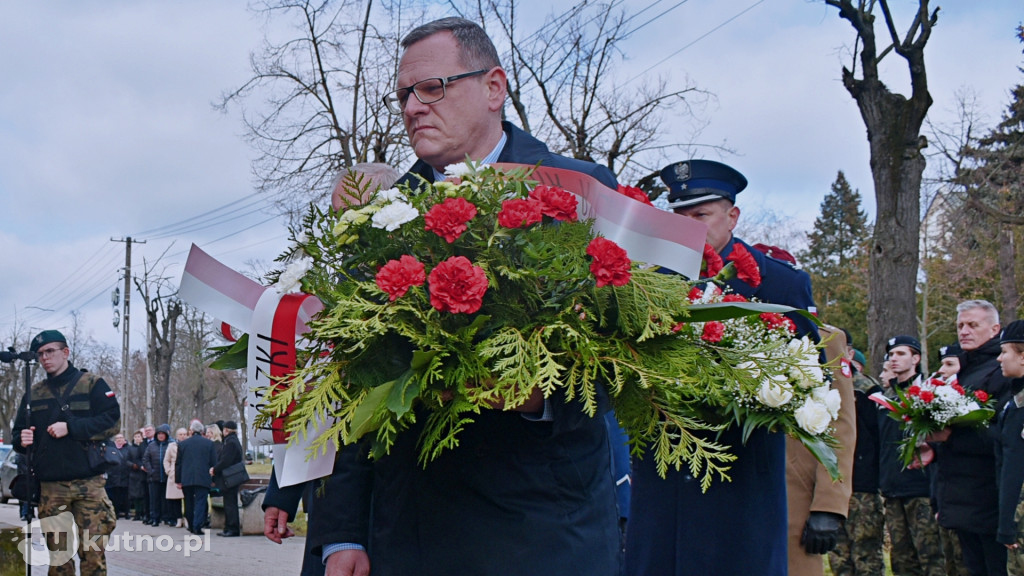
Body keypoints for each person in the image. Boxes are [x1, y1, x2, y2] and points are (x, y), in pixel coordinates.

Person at [310, 17, 621, 576]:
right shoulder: (382, 215)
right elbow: (357, 386)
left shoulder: (576, 191)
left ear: (494, 87)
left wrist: (540, 398)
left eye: (432, 88)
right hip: (408, 533)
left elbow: (630, 354)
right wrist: (342, 532)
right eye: (404, 94)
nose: (412, 108)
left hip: (538, 529)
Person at [625, 159, 821, 576]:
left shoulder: (780, 282)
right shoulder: (646, 276)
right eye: (679, 216)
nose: (689, 226)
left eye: (700, 215)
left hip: (742, 472)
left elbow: (809, 374)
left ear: (733, 216)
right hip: (664, 469)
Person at [12, 329, 120, 576]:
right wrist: (21, 439)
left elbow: (112, 422)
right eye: (40, 354)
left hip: (89, 483)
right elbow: (18, 434)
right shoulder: (34, 393)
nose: (45, 358)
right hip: (51, 486)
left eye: (50, 351)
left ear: (65, 352)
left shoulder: (91, 384)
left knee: (93, 556)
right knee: (59, 559)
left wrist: (70, 427)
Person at [931, 300, 1012, 576]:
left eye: (972, 325)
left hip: (988, 495)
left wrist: (950, 437)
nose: (964, 331)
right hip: (960, 496)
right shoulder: (960, 372)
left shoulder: (1001, 372)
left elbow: (1001, 435)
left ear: (995, 329)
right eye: (960, 325)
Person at [786, 324, 857, 576]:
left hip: (793, 496)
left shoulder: (825, 338)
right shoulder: (715, 325)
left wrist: (829, 505)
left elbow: (841, 425)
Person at [878, 335, 945, 576]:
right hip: (892, 488)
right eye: (891, 355)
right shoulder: (885, 398)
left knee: (931, 557)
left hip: (921, 489)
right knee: (902, 560)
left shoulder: (929, 394)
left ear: (916, 358)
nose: (894, 359)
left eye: (900, 354)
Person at [829, 348, 887, 576]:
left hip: (863, 485)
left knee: (865, 555)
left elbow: (878, 437)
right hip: (833, 483)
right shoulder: (822, 383)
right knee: (838, 556)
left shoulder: (867, 390)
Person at [995, 321, 1024, 575]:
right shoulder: (1014, 402)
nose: (999, 358)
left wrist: (1007, 523)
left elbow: (1016, 464)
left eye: (1005, 352)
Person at [176, 419, 218, 536]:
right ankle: (197, 526)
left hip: (187, 478)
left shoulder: (183, 444)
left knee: (188, 502)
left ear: (192, 431)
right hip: (203, 477)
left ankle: (190, 524)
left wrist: (178, 480)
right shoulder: (209, 444)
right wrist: (213, 479)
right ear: (201, 431)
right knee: (200, 502)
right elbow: (213, 462)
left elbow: (178, 464)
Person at [212, 420, 244, 537]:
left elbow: (225, 460)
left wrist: (215, 469)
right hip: (232, 477)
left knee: (230, 504)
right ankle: (228, 527)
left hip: (230, 477)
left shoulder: (230, 442)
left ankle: (232, 528)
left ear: (226, 430)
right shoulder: (233, 441)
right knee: (229, 503)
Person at [142, 423, 172, 526]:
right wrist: (151, 471)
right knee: (154, 499)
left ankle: (167, 517)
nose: (160, 436)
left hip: (166, 476)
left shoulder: (170, 445)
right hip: (153, 477)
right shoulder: (151, 446)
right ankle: (155, 518)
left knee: (166, 499)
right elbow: (145, 459)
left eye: (162, 434)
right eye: (159, 434)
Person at [163, 427, 187, 528]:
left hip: (186, 472)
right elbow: (166, 460)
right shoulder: (171, 446)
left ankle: (187, 518)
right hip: (174, 473)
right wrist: (168, 471)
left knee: (187, 498)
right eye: (180, 434)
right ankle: (178, 518)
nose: (183, 436)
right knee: (175, 498)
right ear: (177, 436)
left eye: (184, 434)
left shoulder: (189, 445)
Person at [105, 432, 132, 519]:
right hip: (114, 476)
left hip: (125, 475)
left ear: (124, 439)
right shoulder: (112, 449)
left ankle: (127, 513)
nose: (119, 440)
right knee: (116, 496)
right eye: (117, 438)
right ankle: (116, 513)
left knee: (126, 496)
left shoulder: (128, 449)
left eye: (121, 438)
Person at [128, 429, 148, 520]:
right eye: (135, 437)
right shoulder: (130, 448)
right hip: (134, 474)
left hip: (143, 473)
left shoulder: (145, 447)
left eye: (139, 436)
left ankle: (144, 512)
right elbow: (126, 460)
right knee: (135, 495)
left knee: (143, 494)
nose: (137, 438)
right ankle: (137, 513)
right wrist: (132, 465)